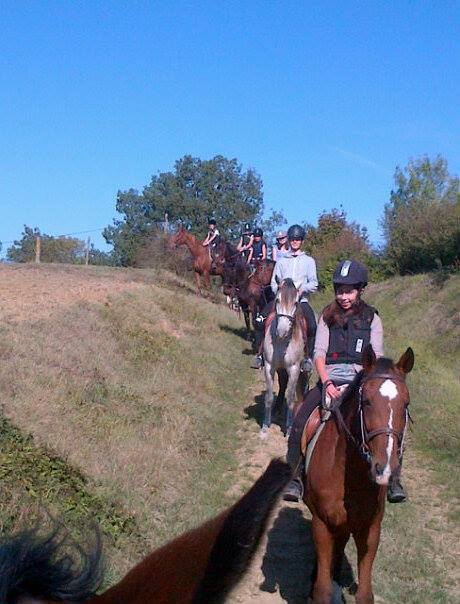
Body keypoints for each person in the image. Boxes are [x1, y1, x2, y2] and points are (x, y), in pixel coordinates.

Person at [283, 259, 407, 504]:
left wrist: (359, 384)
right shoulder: (327, 316)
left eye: (349, 291)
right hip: (330, 378)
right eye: (339, 291)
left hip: (362, 380)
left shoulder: (373, 319)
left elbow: (377, 359)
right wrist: (327, 383)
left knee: (391, 421)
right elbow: (318, 354)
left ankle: (393, 480)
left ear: (360, 290)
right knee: (300, 419)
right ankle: (296, 478)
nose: (343, 296)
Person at [251, 224, 318, 371]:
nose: (295, 242)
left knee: (312, 326)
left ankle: (307, 358)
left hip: (300, 301)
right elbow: (274, 282)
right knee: (260, 321)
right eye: (293, 239)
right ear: (289, 240)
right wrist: (279, 293)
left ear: (301, 241)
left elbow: (314, 283)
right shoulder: (282, 261)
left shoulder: (309, 261)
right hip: (281, 301)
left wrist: (301, 290)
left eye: (298, 239)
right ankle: (260, 354)